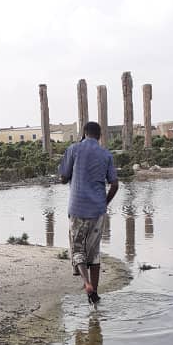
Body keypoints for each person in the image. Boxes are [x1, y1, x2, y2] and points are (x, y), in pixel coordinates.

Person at [59, 121, 118, 304]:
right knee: (94, 253)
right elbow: (115, 184)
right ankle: (95, 294)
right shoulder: (106, 154)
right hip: (98, 211)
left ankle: (86, 284)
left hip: (77, 209)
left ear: (84, 134)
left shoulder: (73, 149)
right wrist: (104, 203)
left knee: (78, 249)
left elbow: (63, 177)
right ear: (100, 136)